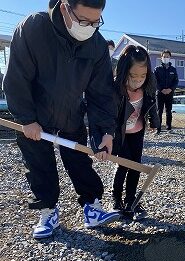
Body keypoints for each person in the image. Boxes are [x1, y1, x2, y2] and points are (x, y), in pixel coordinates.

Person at [3, 0, 120, 239]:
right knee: (39, 163)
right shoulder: (34, 28)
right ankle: (48, 211)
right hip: (35, 115)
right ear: (65, 6)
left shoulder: (96, 45)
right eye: (83, 21)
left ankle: (92, 207)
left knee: (80, 160)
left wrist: (105, 132)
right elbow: (17, 77)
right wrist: (26, 118)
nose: (88, 27)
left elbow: (101, 94)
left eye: (95, 22)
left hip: (71, 113)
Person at [112, 45, 160, 220]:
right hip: (121, 134)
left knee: (136, 166)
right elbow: (108, 115)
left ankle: (131, 200)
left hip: (137, 133)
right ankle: (116, 199)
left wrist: (155, 122)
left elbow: (152, 105)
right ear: (125, 71)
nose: (138, 80)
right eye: (133, 76)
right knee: (123, 165)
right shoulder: (117, 90)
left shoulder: (147, 87)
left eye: (143, 76)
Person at [154, 50, 178, 134]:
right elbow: (155, 81)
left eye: (167, 56)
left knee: (169, 111)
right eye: (164, 56)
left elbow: (176, 81)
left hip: (170, 93)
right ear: (161, 57)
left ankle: (169, 128)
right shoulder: (157, 69)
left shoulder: (173, 69)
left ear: (170, 58)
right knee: (159, 111)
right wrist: (161, 89)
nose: (166, 58)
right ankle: (158, 129)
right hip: (160, 93)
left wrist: (170, 89)